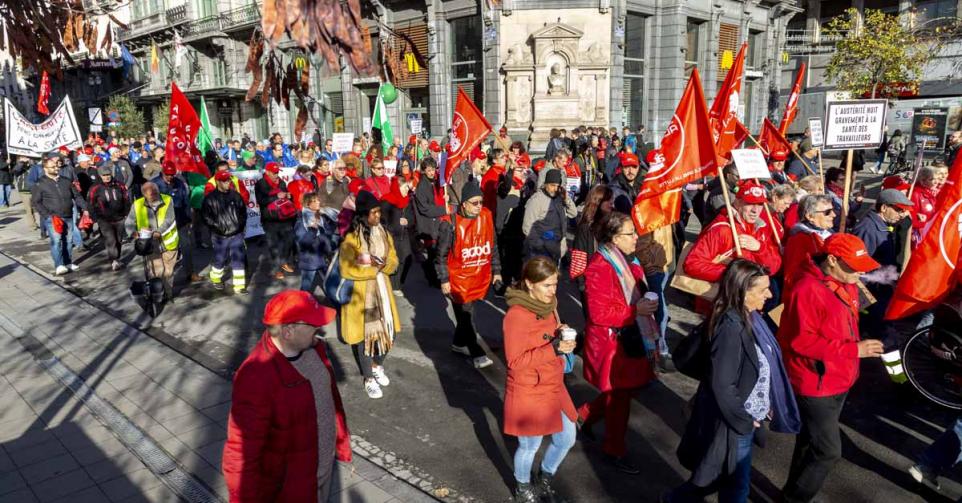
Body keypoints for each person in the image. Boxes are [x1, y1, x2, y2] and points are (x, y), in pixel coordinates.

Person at [670, 260, 799, 503]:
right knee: (736, 487)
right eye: (763, 290)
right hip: (734, 421)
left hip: (743, 417)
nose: (770, 294)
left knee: (723, 478)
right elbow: (723, 384)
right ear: (743, 292)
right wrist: (744, 420)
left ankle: (675, 498)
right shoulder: (730, 327)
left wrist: (764, 398)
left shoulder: (750, 316)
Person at [779, 233, 885, 503]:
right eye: (852, 267)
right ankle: (795, 498)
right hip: (815, 382)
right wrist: (855, 350)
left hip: (839, 377)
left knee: (809, 444)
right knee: (827, 451)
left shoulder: (844, 281)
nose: (858, 274)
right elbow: (801, 341)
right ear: (832, 261)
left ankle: (789, 493)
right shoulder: (807, 289)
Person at [222, 290, 352, 501]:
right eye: (312, 324)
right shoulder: (255, 377)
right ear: (288, 331)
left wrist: (341, 442)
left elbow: (330, 401)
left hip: (322, 471)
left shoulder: (314, 349)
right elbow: (240, 452)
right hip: (292, 489)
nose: (320, 328)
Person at [579, 212, 657, 474]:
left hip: (628, 338)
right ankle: (613, 449)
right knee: (619, 397)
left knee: (619, 394)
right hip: (612, 342)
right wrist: (638, 311)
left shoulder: (629, 260)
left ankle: (583, 416)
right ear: (614, 238)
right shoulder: (600, 266)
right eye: (630, 233)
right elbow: (599, 314)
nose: (636, 237)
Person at [503, 257, 577, 502]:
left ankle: (544, 477)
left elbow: (547, 337)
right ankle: (522, 487)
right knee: (529, 446)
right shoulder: (516, 315)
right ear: (529, 283)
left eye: (555, 284)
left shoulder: (550, 305)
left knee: (566, 438)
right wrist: (554, 348)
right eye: (547, 285)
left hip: (553, 384)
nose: (553, 291)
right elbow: (514, 362)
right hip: (530, 388)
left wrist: (562, 334)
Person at [338, 191, 401, 399]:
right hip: (360, 296)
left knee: (390, 333)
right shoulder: (351, 238)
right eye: (373, 213)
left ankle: (376, 365)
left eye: (378, 212)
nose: (377, 216)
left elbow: (393, 258)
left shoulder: (383, 232)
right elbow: (347, 269)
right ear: (363, 215)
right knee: (365, 338)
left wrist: (386, 266)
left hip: (383, 290)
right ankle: (368, 378)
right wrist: (373, 270)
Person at [438, 179, 500, 369]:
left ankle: (458, 344)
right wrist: (444, 279)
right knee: (466, 315)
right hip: (458, 279)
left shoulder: (486, 216)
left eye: (481, 202)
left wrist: (497, 271)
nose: (479, 207)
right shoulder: (450, 224)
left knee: (466, 314)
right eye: (475, 203)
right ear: (463, 204)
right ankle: (476, 351)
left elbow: (493, 246)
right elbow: (439, 255)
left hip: (478, 275)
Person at [685, 181, 782, 287]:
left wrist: (760, 249)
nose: (755, 210)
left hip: (746, 296)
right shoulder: (722, 229)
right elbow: (692, 264)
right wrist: (736, 273)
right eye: (750, 203)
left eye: (760, 204)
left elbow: (773, 267)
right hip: (721, 298)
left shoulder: (759, 227)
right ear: (737, 202)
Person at [33, 152, 87, 274]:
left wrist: (85, 208)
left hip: (68, 214)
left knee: (68, 240)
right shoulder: (40, 183)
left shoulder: (66, 180)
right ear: (45, 168)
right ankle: (59, 264)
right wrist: (47, 215)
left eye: (57, 166)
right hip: (53, 217)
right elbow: (36, 202)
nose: (56, 168)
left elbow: (76, 195)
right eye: (53, 167)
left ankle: (68, 262)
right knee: (56, 241)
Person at [126, 182, 179, 300]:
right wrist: (133, 233)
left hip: (169, 242)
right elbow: (129, 222)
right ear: (144, 194)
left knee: (169, 272)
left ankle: (168, 293)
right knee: (156, 271)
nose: (155, 195)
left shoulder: (167, 199)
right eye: (151, 194)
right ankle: (158, 294)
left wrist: (158, 232)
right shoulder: (137, 204)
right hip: (149, 245)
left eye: (156, 192)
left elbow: (169, 219)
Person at [201, 171, 248, 294]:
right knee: (220, 259)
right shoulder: (210, 198)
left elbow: (243, 212)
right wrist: (219, 228)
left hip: (236, 234)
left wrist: (240, 227)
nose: (228, 182)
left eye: (228, 180)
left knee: (238, 259)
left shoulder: (236, 196)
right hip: (220, 235)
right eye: (225, 180)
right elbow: (206, 218)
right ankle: (216, 277)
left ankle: (239, 286)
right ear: (218, 182)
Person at [781, 194, 835, 298]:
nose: (834, 215)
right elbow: (792, 276)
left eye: (832, 210)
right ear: (810, 216)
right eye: (827, 212)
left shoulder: (827, 233)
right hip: (810, 296)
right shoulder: (799, 240)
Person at [153, 164, 200, 282]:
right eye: (167, 175)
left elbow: (186, 201)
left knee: (186, 246)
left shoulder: (179, 183)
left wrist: (189, 218)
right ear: (163, 172)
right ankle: (161, 276)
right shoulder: (154, 184)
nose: (170, 177)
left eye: (172, 175)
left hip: (180, 220)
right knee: (164, 250)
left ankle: (190, 273)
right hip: (162, 223)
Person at [522, 169, 577, 264]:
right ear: (546, 184)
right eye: (552, 185)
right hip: (540, 252)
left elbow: (573, 213)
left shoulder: (559, 198)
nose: (555, 189)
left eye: (557, 186)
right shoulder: (536, 200)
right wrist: (541, 246)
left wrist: (566, 199)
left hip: (557, 250)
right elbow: (527, 227)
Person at [88, 163, 132, 271]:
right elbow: (90, 203)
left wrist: (127, 213)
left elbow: (126, 199)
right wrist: (94, 218)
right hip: (104, 219)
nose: (106, 177)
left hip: (120, 217)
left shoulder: (119, 185)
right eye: (104, 175)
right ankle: (114, 260)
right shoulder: (95, 187)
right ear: (100, 176)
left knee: (119, 240)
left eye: (108, 174)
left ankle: (117, 257)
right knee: (110, 240)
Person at [256, 162, 296, 280]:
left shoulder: (281, 182)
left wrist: (289, 196)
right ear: (267, 172)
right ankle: (276, 268)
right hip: (270, 219)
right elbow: (261, 201)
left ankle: (283, 261)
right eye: (274, 172)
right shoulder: (260, 184)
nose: (276, 174)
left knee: (289, 240)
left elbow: (286, 196)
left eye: (277, 172)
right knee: (273, 245)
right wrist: (276, 197)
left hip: (284, 217)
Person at [413, 157, 449, 287]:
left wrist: (444, 198)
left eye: (433, 169)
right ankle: (433, 279)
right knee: (433, 253)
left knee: (436, 252)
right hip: (428, 224)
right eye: (428, 170)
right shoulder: (422, 185)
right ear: (423, 171)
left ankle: (434, 278)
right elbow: (425, 209)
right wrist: (443, 210)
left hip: (435, 222)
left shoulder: (432, 182)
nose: (431, 172)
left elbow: (435, 199)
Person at [295, 193, 338, 294]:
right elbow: (303, 243)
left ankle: (338, 307)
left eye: (318, 200)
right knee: (305, 289)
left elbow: (327, 233)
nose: (318, 202)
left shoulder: (319, 217)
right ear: (308, 204)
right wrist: (312, 230)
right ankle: (302, 307)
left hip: (322, 256)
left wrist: (333, 221)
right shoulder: (301, 221)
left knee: (331, 285)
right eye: (315, 201)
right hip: (310, 259)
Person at [381, 176, 415, 293]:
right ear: (398, 187)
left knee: (407, 259)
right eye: (405, 187)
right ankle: (395, 286)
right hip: (392, 237)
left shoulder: (407, 201)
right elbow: (382, 222)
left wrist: (408, 221)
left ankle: (400, 282)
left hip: (404, 235)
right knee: (395, 261)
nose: (407, 189)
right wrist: (395, 224)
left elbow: (412, 218)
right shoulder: (386, 202)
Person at [910, 166, 939, 244]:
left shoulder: (934, 192)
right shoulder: (916, 194)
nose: (936, 182)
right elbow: (910, 217)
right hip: (919, 235)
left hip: (931, 231)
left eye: (937, 179)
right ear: (923, 180)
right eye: (932, 179)